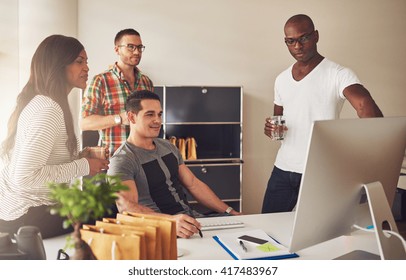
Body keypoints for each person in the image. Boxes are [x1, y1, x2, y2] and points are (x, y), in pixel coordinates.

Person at [261, 14, 383, 213]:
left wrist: (374, 147)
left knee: (320, 235)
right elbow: (279, 125)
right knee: (268, 230)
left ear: (316, 36)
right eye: (291, 41)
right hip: (283, 169)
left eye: (304, 38)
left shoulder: (338, 74)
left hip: (319, 171)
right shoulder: (281, 79)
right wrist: (271, 129)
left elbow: (363, 104)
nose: (298, 46)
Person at [0, 35, 109, 238]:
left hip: (27, 211)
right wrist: (84, 166)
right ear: (57, 65)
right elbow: (24, 177)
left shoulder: (46, 103)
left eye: (86, 61)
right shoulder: (48, 109)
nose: (86, 68)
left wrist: (78, 157)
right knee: (109, 212)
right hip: (25, 216)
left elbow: (44, 160)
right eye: (79, 61)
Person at [107, 90, 241, 238]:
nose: (157, 120)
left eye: (159, 114)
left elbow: (193, 184)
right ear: (131, 117)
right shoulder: (122, 160)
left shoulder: (168, 146)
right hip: (161, 230)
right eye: (150, 114)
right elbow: (127, 209)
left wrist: (229, 211)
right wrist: (170, 222)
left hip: (191, 222)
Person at [81, 28, 154, 157]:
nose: (137, 52)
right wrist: (119, 118)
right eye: (130, 47)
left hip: (144, 160)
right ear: (117, 50)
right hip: (113, 162)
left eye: (139, 47)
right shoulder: (100, 81)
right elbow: (84, 123)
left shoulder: (146, 82)